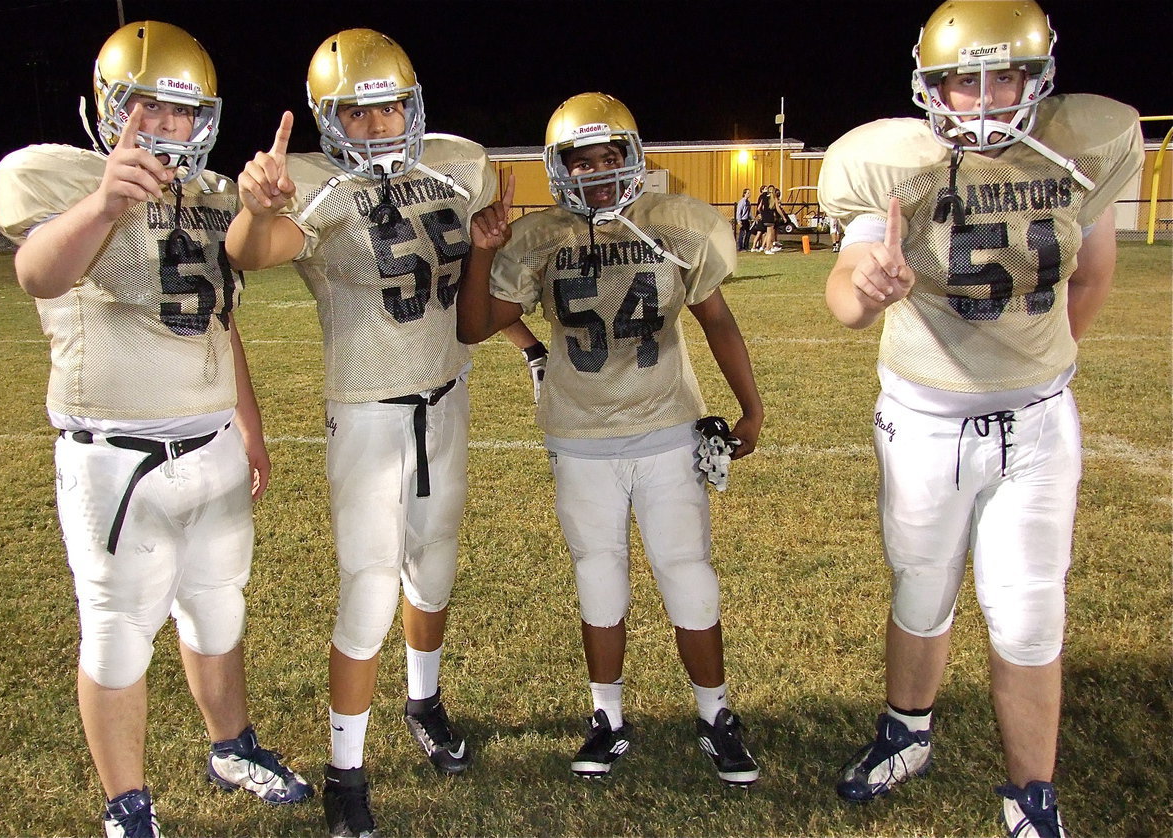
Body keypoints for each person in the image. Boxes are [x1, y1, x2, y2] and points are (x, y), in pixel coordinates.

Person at [818, 1, 1143, 835]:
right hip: (926, 422)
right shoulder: (895, 163)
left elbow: (1091, 273)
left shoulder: (1082, 147)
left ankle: (1033, 797)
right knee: (920, 590)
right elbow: (846, 291)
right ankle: (907, 730)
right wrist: (867, 286)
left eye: (1007, 75)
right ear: (936, 88)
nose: (989, 98)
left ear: (1040, 78)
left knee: (1031, 610)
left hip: (1036, 424)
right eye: (968, 80)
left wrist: (1037, 371)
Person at [0, 21, 314, 838]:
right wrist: (105, 201)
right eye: (147, 107)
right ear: (108, 108)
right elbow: (39, 272)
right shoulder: (54, 175)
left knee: (217, 608)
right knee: (117, 631)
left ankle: (231, 746)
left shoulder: (202, 195)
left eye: (180, 111)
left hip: (209, 444)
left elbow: (220, 314)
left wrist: (250, 423)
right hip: (115, 458)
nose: (165, 127)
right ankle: (127, 804)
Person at [224, 28, 541, 838]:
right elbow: (259, 251)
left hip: (448, 398)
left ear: (414, 104)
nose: (377, 125)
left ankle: (424, 702)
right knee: (368, 589)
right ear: (331, 121)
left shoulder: (452, 168)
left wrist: (521, 332)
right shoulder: (313, 190)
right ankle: (344, 769)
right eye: (357, 113)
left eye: (390, 107)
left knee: (433, 569)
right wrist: (257, 212)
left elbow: (459, 292)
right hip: (368, 412)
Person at [457, 92, 765, 785]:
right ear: (559, 169)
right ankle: (607, 716)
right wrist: (481, 254)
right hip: (582, 437)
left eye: (608, 157)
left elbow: (718, 321)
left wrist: (751, 406)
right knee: (599, 576)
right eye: (581, 161)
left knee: (688, 575)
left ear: (631, 157)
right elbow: (474, 326)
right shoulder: (542, 237)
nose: (597, 172)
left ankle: (716, 716)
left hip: (665, 430)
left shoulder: (676, 225)